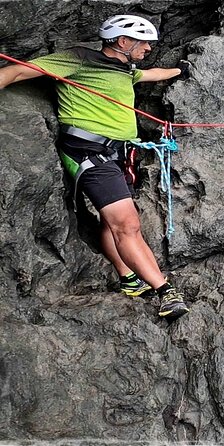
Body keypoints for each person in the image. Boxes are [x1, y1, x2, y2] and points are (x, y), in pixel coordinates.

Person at [0, 15, 191, 319]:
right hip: (90, 153)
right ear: (123, 42)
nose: (149, 48)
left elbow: (151, 74)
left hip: (117, 155)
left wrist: (180, 70)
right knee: (127, 225)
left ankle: (129, 279)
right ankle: (164, 291)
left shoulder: (126, 69)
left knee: (110, 222)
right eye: (144, 42)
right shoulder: (77, 60)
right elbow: (18, 72)